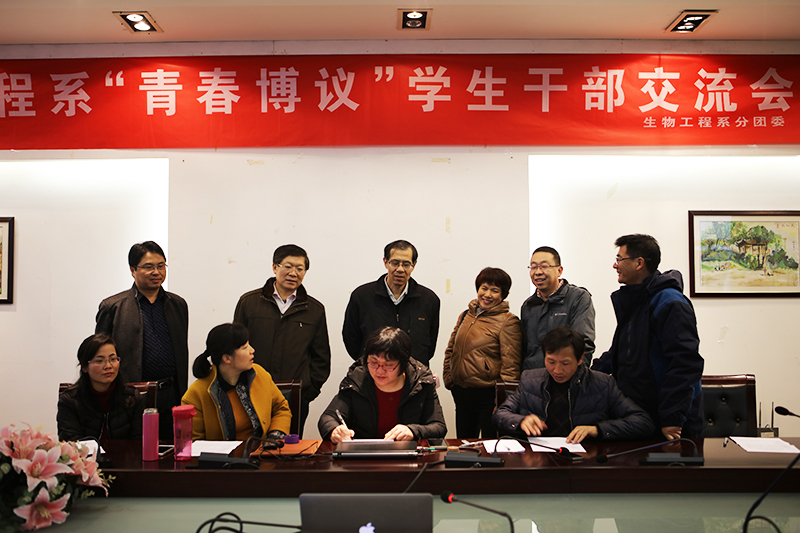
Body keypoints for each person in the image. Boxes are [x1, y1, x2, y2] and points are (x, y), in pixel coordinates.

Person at [592, 234, 704, 440]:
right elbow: (619, 352)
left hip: (668, 420)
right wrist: (587, 374)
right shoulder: (637, 300)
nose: (615, 266)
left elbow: (685, 363)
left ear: (639, 263)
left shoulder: (669, 302)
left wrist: (672, 418)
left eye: (619, 259)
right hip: (638, 416)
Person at [233, 244, 331, 437]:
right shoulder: (249, 303)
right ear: (274, 267)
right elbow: (236, 348)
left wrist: (307, 391)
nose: (293, 273)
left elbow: (321, 357)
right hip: (252, 392)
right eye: (288, 266)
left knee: (289, 449)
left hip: (295, 397)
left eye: (300, 268)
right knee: (251, 445)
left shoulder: (314, 309)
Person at [493, 326, 654, 443]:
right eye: (551, 362)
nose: (557, 370)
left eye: (565, 363)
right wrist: (521, 421)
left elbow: (643, 422)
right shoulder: (530, 380)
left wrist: (597, 429)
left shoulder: (603, 384)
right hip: (538, 458)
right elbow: (500, 414)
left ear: (580, 358)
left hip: (585, 459)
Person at [95, 241, 189, 439]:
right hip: (131, 396)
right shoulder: (113, 306)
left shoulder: (178, 304)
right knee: (134, 449)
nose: (156, 272)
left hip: (171, 393)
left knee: (171, 449)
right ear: (132, 270)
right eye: (148, 267)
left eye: (161, 266)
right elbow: (99, 353)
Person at [319, 327, 446, 443]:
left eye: (389, 365)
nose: (380, 371)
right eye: (373, 362)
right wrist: (334, 430)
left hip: (407, 455)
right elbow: (328, 417)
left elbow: (438, 427)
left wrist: (413, 431)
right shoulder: (357, 380)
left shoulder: (421, 382)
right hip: (363, 454)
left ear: (403, 364)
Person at [442, 267, 522, 438]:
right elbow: (451, 348)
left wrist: (503, 401)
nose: (487, 294)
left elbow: (511, 366)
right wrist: (449, 378)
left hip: (489, 396)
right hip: (462, 393)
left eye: (495, 290)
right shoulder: (466, 315)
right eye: (484, 288)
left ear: (503, 295)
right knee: (464, 444)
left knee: (490, 445)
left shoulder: (508, 321)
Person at [181, 323, 291, 441]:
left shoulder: (259, 374)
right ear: (227, 358)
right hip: (221, 454)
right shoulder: (196, 394)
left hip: (262, 451)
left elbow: (281, 408)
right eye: (245, 348)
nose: (252, 350)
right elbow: (193, 443)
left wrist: (274, 437)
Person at [342, 240, 440, 367]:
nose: (400, 269)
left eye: (406, 264)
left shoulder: (429, 300)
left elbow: (429, 347)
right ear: (385, 262)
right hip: (373, 373)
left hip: (415, 375)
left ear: (414, 265)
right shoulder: (362, 297)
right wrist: (375, 364)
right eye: (395, 263)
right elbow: (351, 340)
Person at [57, 334, 145, 441]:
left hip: (126, 453)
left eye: (113, 359)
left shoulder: (132, 397)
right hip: (86, 453)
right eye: (99, 361)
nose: (108, 366)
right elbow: (71, 443)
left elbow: (140, 441)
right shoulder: (70, 401)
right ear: (84, 367)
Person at [521, 246, 595, 370]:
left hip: (564, 375)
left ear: (559, 271)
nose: (538, 272)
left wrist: (576, 378)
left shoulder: (578, 298)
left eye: (544, 266)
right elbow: (525, 350)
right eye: (533, 267)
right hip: (533, 377)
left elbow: (583, 344)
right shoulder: (528, 305)